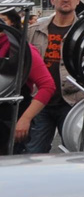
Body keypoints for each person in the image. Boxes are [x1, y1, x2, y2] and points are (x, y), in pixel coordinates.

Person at [25, 0, 84, 153]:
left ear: (77, 0)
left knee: (74, 155)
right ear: (52, 0)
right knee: (34, 154)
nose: (65, 0)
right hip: (40, 102)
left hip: (73, 102)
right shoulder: (34, 30)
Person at [1, 10, 53, 155]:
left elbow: (47, 86)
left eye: (2, 19)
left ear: (12, 22)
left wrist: (25, 119)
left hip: (10, 124)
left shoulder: (24, 50)